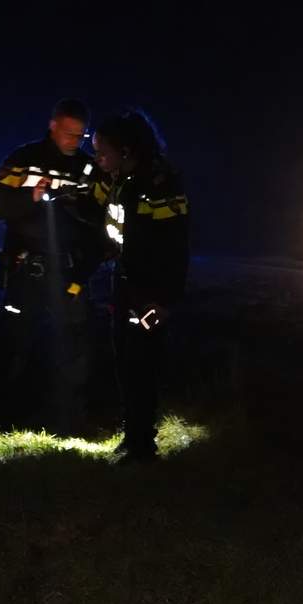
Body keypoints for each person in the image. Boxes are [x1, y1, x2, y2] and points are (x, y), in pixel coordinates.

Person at [0, 98, 106, 433]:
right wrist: (31, 198)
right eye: (68, 134)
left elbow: (98, 221)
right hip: (27, 271)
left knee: (75, 346)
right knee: (16, 343)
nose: (73, 142)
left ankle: (72, 420)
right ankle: (7, 420)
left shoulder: (87, 168)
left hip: (70, 272)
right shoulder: (23, 160)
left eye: (80, 136)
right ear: (53, 126)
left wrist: (85, 266)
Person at [91, 109, 190, 462]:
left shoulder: (160, 186)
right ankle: (132, 435)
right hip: (124, 284)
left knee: (142, 366)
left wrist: (164, 300)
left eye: (102, 151)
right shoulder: (120, 180)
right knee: (125, 363)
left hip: (150, 292)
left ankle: (143, 447)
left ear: (127, 149)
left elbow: (176, 248)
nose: (98, 159)